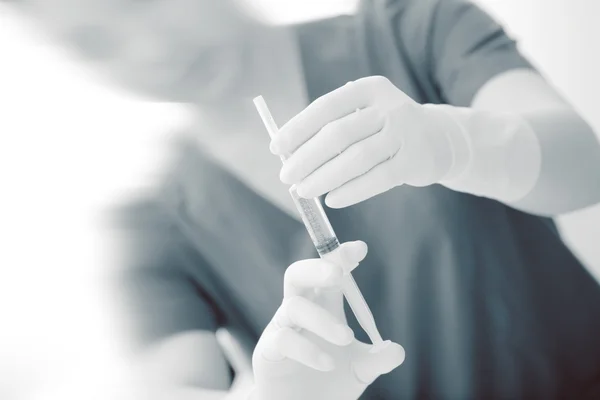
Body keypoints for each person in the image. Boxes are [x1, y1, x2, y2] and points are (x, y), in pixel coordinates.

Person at [14, 0, 600, 398]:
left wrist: (456, 144)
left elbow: (586, 165)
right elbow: (172, 388)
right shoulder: (150, 226)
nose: (149, 51)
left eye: (139, 0)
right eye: (95, 45)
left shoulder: (413, 29)